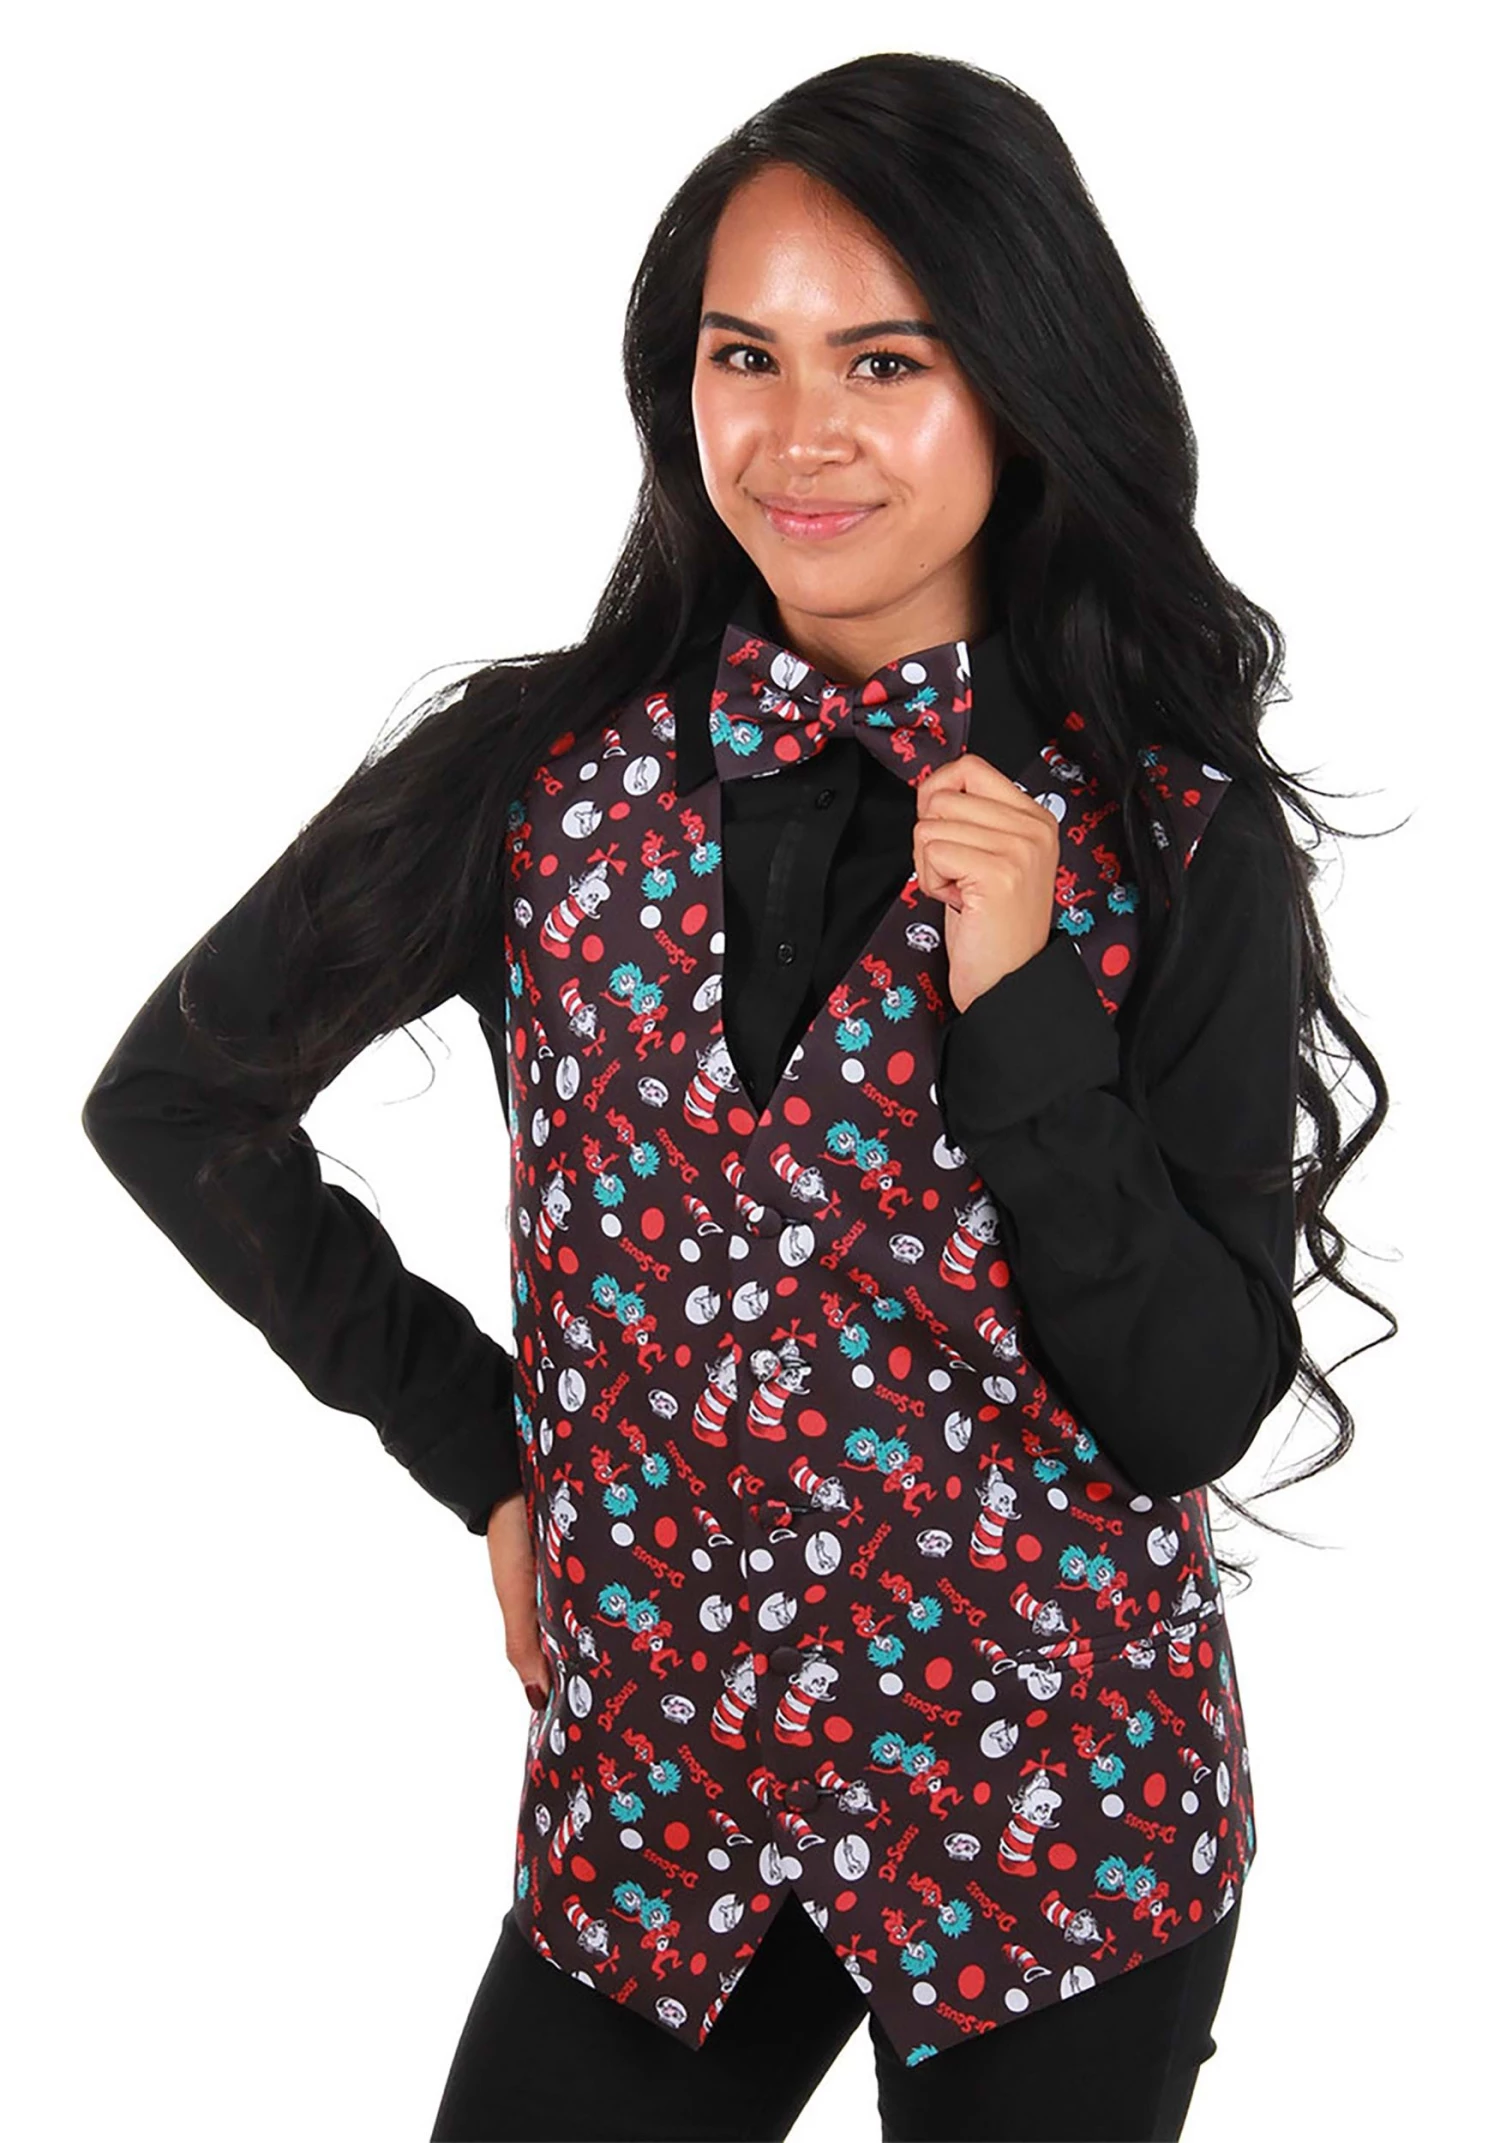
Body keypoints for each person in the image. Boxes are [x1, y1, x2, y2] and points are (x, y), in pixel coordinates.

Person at [80, 51, 1391, 2143]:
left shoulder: (1170, 843)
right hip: (663, 1793)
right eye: (743, 356)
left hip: (1051, 1811)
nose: (801, 436)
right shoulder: (538, 776)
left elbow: (1190, 1407)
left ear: (1023, 380)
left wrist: (1024, 1001)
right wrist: (493, 1455)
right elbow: (176, 1103)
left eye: (888, 361)